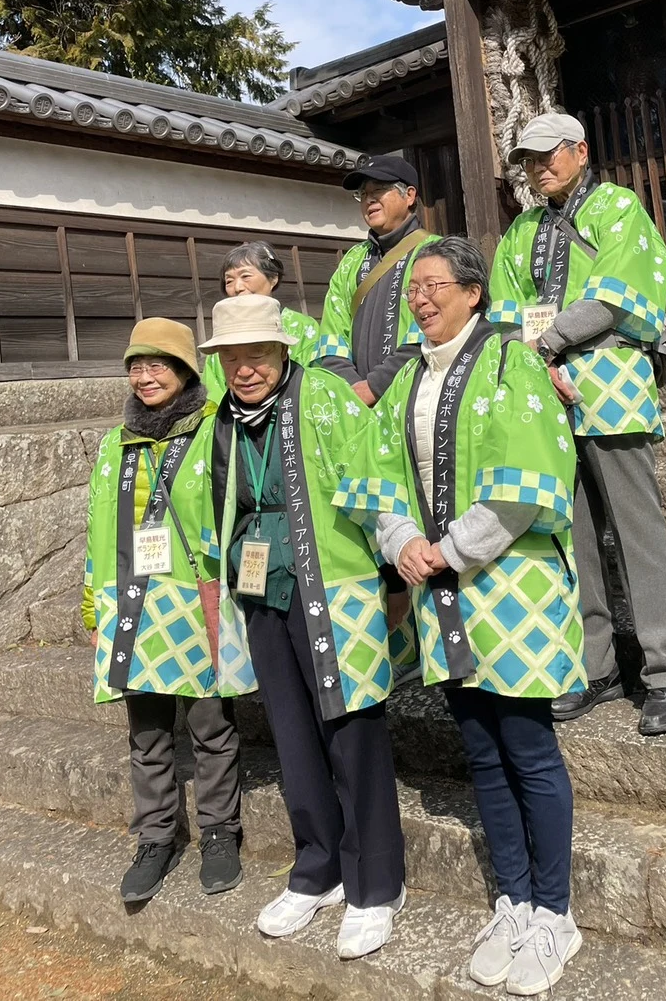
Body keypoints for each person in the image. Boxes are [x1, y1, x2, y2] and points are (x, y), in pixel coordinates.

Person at [335, 237, 585, 996]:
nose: (422, 297)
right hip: (443, 592)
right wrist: (401, 540)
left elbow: (528, 478)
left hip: (513, 585)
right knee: (479, 749)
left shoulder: (514, 360)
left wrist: (447, 548)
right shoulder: (406, 372)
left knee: (528, 748)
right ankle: (511, 899)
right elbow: (372, 475)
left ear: (474, 292)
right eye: (415, 288)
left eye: (436, 284)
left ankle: (555, 911)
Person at [204, 291, 406, 960]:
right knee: (292, 735)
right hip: (262, 590)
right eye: (233, 357)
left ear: (282, 349)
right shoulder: (224, 420)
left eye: (257, 354)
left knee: (352, 731)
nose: (246, 368)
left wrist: (395, 578)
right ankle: (317, 868)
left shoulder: (326, 396)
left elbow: (378, 484)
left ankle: (376, 883)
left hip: (334, 585)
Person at [489, 112, 666, 737]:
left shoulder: (617, 206)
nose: (537, 167)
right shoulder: (519, 231)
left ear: (579, 151)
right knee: (572, 537)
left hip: (614, 391)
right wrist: (532, 361)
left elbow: (617, 294)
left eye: (548, 154)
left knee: (637, 532)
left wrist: (546, 343)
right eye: (527, 159)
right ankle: (595, 665)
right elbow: (502, 309)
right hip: (545, 395)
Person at [82, 317, 242, 904]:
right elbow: (99, 525)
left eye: (158, 364)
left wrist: (227, 588)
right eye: (135, 365)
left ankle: (221, 831)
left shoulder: (210, 430)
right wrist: (92, 604)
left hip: (193, 599)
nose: (144, 376)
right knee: (147, 731)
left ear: (184, 371)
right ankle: (156, 837)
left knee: (209, 725)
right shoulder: (114, 442)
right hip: (131, 603)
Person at [312, 154, 438, 406]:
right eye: (363, 193)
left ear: (409, 195)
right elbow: (332, 337)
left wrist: (375, 386)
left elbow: (432, 333)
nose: (369, 199)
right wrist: (352, 388)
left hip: (419, 397)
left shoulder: (436, 253)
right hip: (356, 404)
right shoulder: (352, 260)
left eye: (379, 189)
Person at [203, 241, 321, 403]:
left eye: (245, 276)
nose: (237, 287)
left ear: (273, 278)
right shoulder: (222, 336)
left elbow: (313, 380)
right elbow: (213, 395)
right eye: (229, 280)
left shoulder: (303, 326)